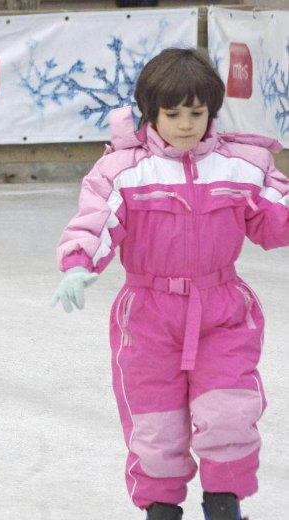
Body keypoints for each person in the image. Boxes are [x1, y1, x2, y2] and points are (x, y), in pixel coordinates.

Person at [51, 48, 289, 520]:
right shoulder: (124, 169)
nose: (185, 124)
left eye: (196, 113)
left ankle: (225, 503)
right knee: (156, 425)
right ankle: (161, 509)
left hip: (223, 311)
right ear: (150, 114)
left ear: (211, 112)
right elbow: (95, 221)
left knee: (229, 413)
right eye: (173, 113)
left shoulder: (242, 164)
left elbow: (274, 221)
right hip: (147, 315)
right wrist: (79, 263)